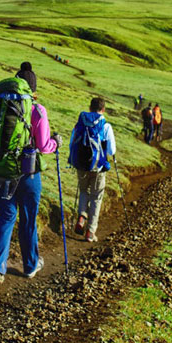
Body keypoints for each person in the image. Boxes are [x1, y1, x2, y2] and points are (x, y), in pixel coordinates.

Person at [0, 65, 62, 284]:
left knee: (5, 217)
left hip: (0, 170)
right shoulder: (37, 110)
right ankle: (30, 265)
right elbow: (44, 145)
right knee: (28, 219)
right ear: (33, 89)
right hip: (28, 175)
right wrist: (56, 142)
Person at [72, 97, 116, 242]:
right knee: (96, 197)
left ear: (90, 107)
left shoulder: (81, 122)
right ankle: (90, 232)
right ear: (103, 110)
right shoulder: (105, 126)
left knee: (84, 190)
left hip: (82, 165)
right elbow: (111, 150)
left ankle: (82, 216)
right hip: (99, 167)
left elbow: (73, 141)